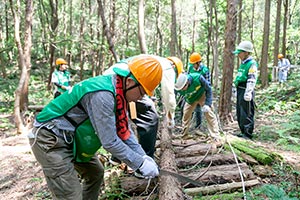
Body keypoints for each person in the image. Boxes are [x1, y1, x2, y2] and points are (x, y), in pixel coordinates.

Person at [28, 55, 163, 200]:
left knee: (95, 173)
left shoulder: (118, 93)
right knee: (71, 196)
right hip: (51, 139)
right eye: (142, 93)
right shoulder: (103, 95)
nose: (140, 98)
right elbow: (110, 141)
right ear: (130, 82)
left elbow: (125, 132)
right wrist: (139, 163)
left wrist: (143, 157)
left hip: (72, 139)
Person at [105, 55, 183, 158]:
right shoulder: (167, 67)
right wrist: (170, 117)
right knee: (150, 117)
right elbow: (169, 95)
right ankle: (146, 159)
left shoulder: (155, 59)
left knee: (125, 117)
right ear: (175, 67)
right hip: (123, 82)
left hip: (114, 80)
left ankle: (118, 158)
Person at [174, 72, 220, 141]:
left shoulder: (198, 78)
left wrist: (208, 104)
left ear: (187, 82)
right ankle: (184, 135)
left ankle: (215, 135)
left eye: (183, 88)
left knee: (209, 113)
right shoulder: (178, 86)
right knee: (186, 115)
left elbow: (209, 89)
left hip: (202, 96)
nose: (182, 90)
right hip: (190, 99)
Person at [233, 41, 258, 139]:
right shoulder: (243, 63)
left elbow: (252, 77)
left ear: (246, 52)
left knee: (247, 112)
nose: (238, 54)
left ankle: (248, 133)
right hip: (240, 89)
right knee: (240, 111)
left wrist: (249, 91)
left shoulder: (252, 64)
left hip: (246, 89)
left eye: (240, 52)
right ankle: (242, 130)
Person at [185, 52, 211, 129]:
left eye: (194, 64)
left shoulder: (205, 70)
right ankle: (187, 129)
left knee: (203, 110)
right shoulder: (190, 68)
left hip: (202, 92)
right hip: (192, 92)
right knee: (187, 110)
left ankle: (199, 125)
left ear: (198, 63)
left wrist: (207, 99)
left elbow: (208, 84)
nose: (193, 65)